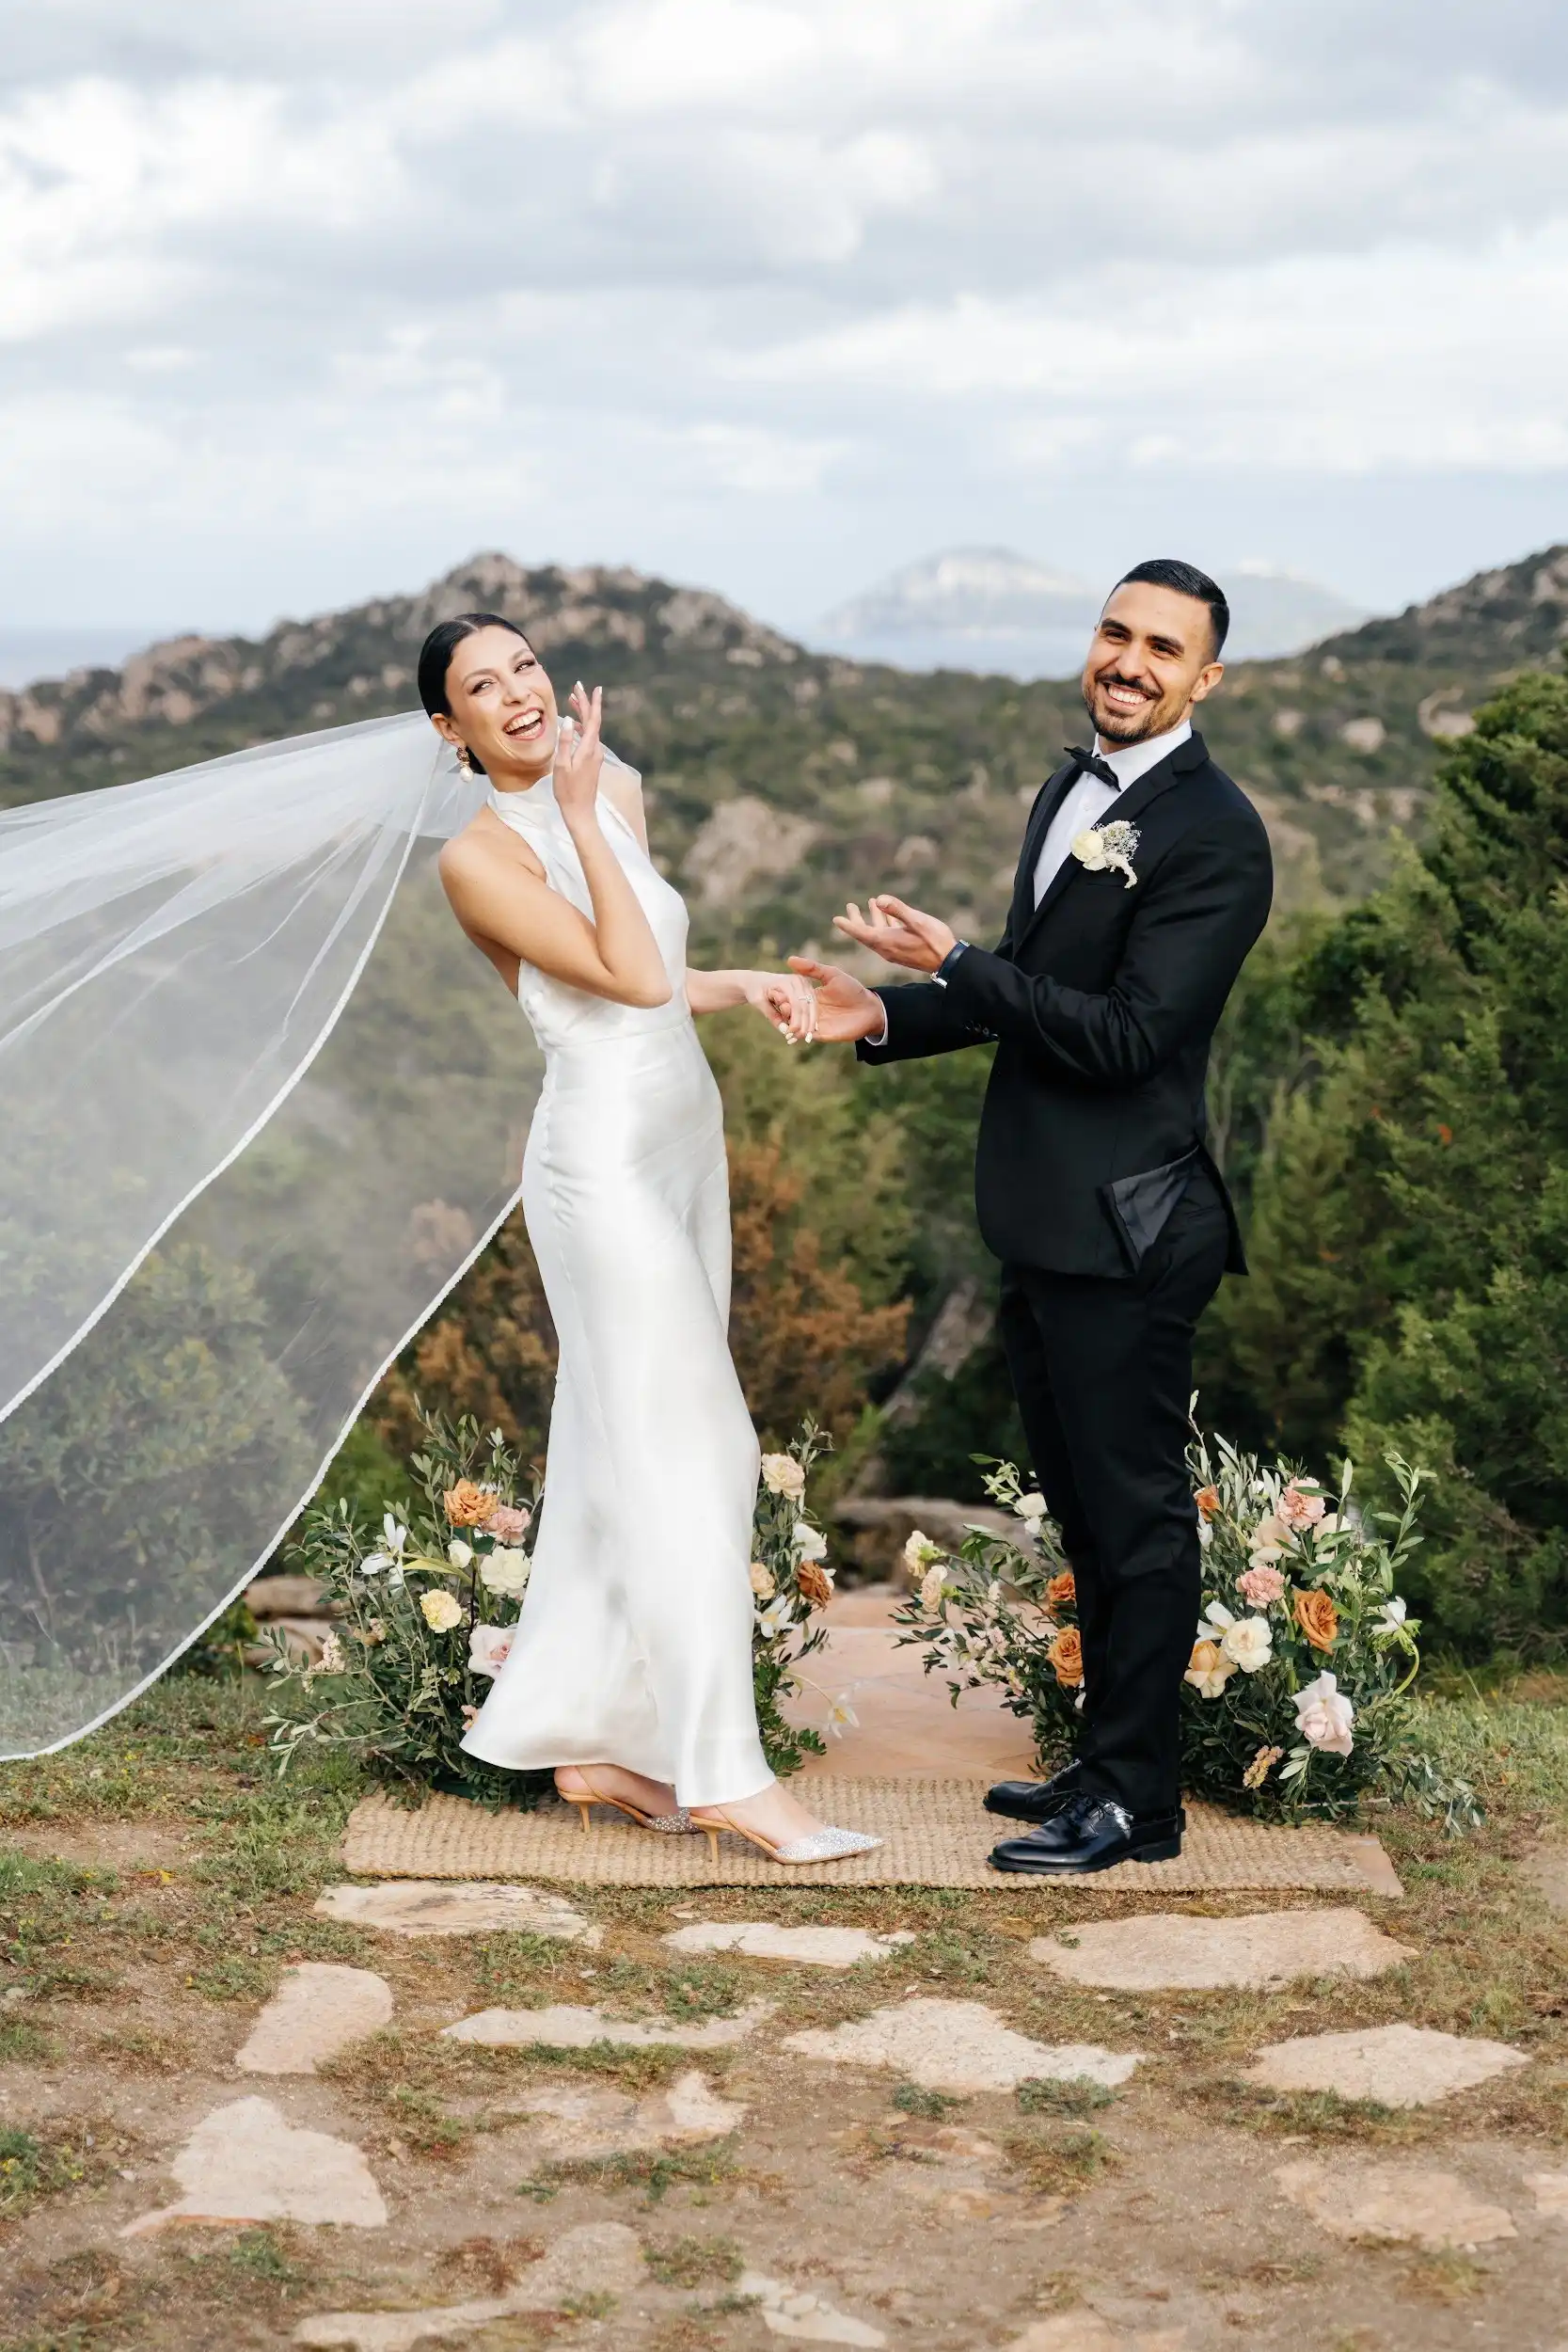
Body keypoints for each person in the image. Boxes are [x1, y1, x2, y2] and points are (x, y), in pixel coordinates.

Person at [793, 560, 1274, 1875]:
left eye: (1161, 648)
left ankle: (1140, 1805)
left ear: (1203, 679)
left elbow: (1123, 1040)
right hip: (1040, 1221)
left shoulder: (1217, 835)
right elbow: (1024, 989)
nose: (1127, 660)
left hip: (1128, 1228)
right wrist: (882, 1012)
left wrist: (954, 964)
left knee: (1135, 1517)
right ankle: (1102, 1763)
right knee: (1082, 1511)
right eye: (1114, 632)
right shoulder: (1069, 790)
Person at [425, 612, 878, 1867]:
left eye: (523, 665)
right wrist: (573, 817)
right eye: (482, 686)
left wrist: (738, 984)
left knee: (621, 1454)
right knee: (708, 1449)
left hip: (684, 1137)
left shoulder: (617, 783)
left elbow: (652, 966)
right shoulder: (477, 857)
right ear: (447, 729)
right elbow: (612, 982)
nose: (517, 693)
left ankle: (598, 1748)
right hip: (599, 1166)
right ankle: (728, 1778)